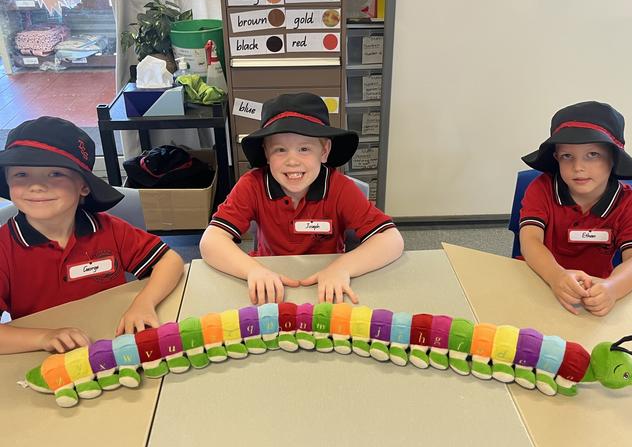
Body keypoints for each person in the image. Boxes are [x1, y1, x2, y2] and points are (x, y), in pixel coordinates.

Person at [0, 117, 184, 354]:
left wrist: (144, 303)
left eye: (55, 174)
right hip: (43, 358)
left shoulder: (109, 229)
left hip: (114, 344)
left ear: (84, 186)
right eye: (22, 174)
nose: (36, 186)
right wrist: (43, 338)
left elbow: (169, 261)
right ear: (7, 180)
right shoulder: (4, 248)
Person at [200, 93, 404, 305]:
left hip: (327, 286)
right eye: (280, 150)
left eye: (304, 149)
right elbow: (211, 241)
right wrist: (253, 270)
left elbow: (391, 240)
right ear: (267, 153)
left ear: (324, 151)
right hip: (269, 282)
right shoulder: (251, 185)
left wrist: (342, 268)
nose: (292, 161)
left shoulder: (340, 188)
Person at [519, 101, 632, 316]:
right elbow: (530, 239)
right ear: (556, 158)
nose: (578, 167)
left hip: (591, 295)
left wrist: (613, 288)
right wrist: (556, 276)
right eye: (567, 156)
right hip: (538, 280)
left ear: (613, 158)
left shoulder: (631, 205)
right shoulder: (541, 189)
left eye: (592, 155)